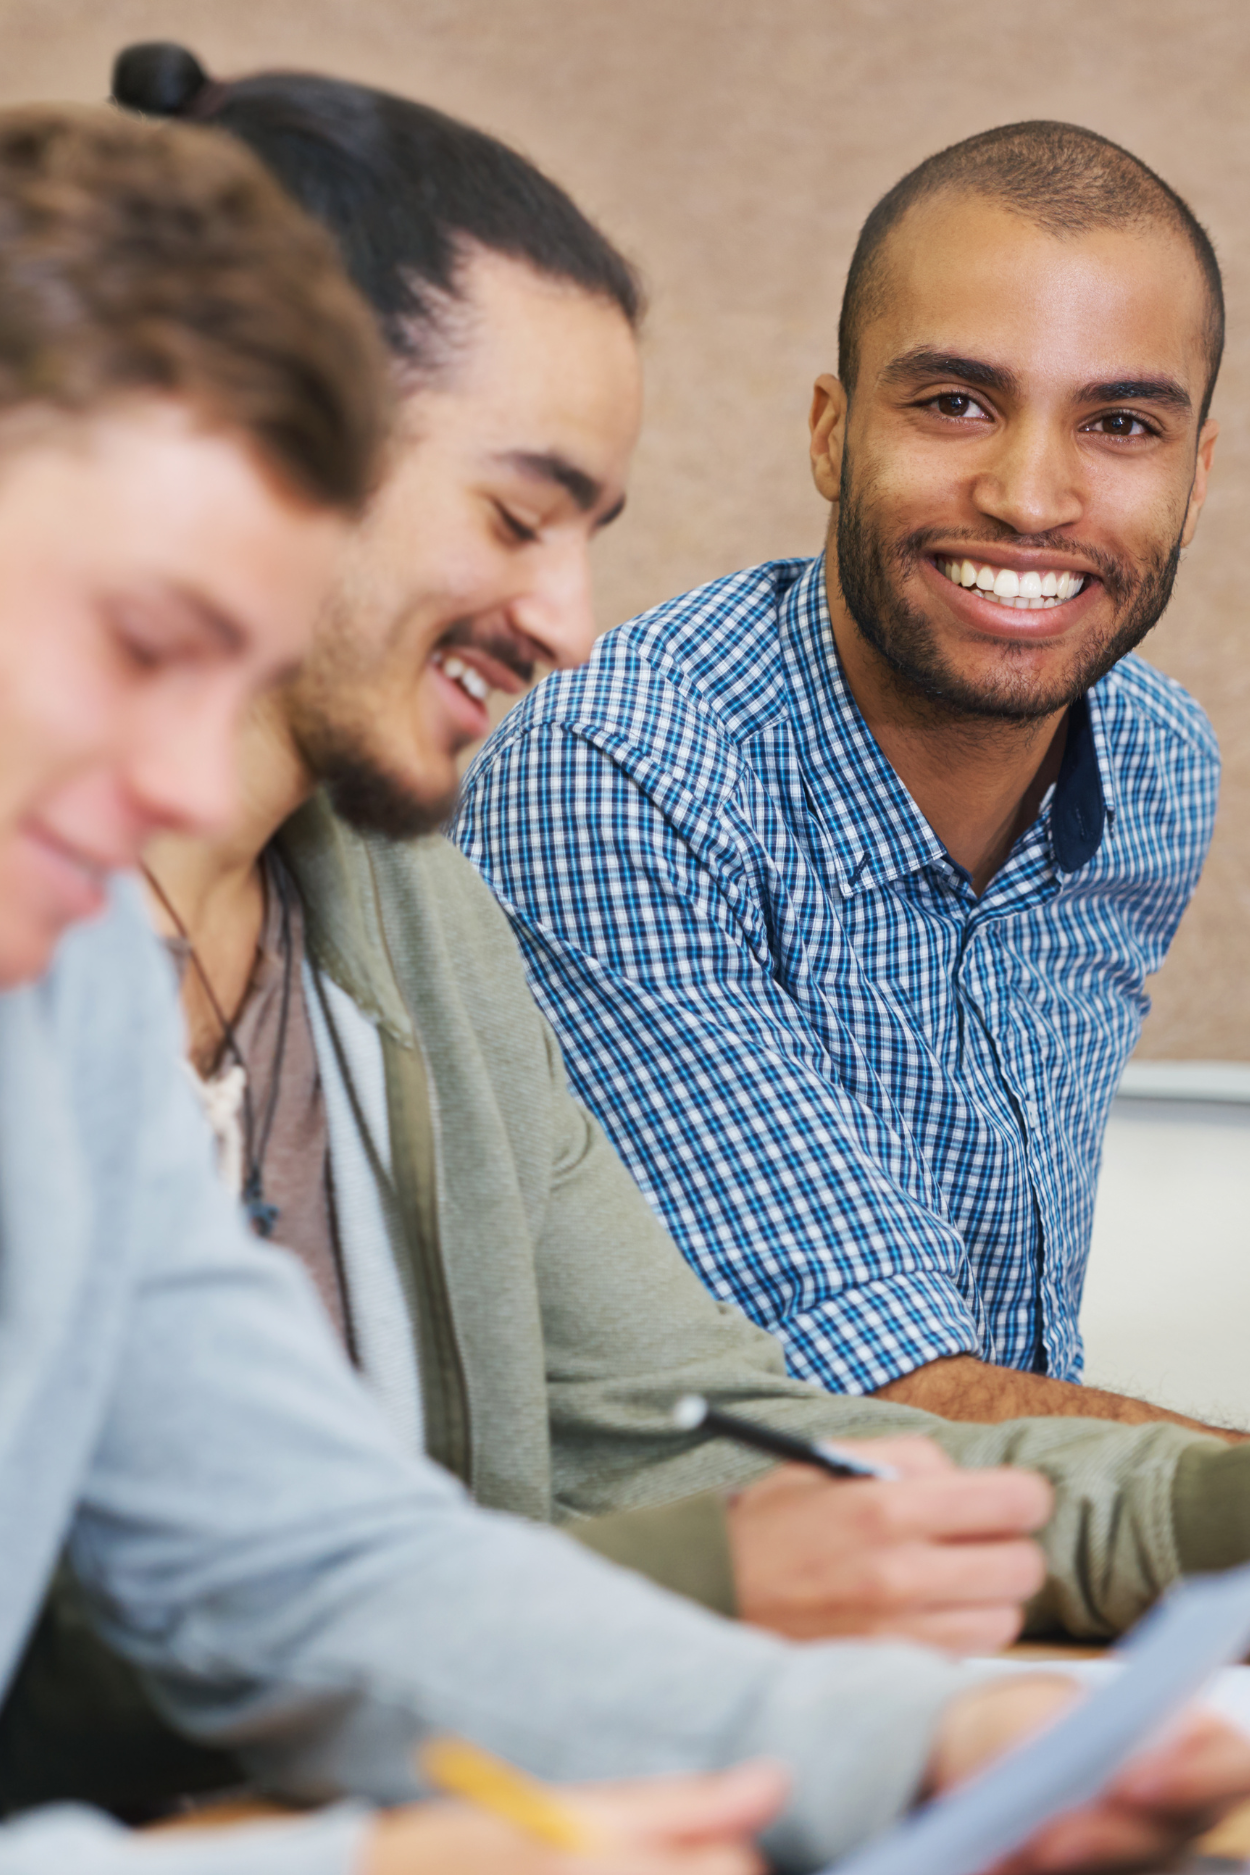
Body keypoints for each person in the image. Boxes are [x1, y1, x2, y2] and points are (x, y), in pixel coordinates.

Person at [0, 94, 1238, 1875]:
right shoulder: (607, 769)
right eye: (145, 641)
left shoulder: (307, 926)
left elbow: (309, 1568)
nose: (191, 792)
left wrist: (929, 1740)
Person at [455, 121, 1230, 1432]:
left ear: (1194, 476)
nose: (1031, 495)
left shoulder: (1153, 762)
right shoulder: (619, 780)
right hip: (688, 1579)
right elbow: (874, 1407)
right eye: (954, 402)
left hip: (980, 1585)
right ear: (829, 435)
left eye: (1118, 422)